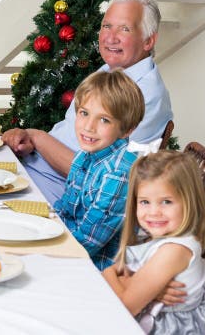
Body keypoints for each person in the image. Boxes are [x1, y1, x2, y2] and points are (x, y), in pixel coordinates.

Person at [3, 0, 172, 204]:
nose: (110, 37)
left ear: (148, 41)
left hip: (58, 196)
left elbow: (100, 179)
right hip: (33, 169)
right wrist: (28, 141)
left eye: (125, 29)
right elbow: (68, 135)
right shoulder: (108, 71)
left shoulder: (145, 94)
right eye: (106, 26)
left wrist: (37, 137)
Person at [102, 151, 205, 334]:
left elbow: (124, 306)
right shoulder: (161, 238)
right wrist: (137, 286)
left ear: (189, 202)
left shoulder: (174, 250)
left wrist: (108, 272)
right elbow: (127, 280)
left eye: (166, 202)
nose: (154, 212)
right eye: (145, 202)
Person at [54, 69, 144, 270]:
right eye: (84, 113)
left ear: (127, 129)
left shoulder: (118, 174)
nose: (89, 127)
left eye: (104, 119)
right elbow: (65, 210)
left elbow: (86, 243)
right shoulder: (84, 155)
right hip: (74, 251)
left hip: (100, 271)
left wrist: (41, 250)